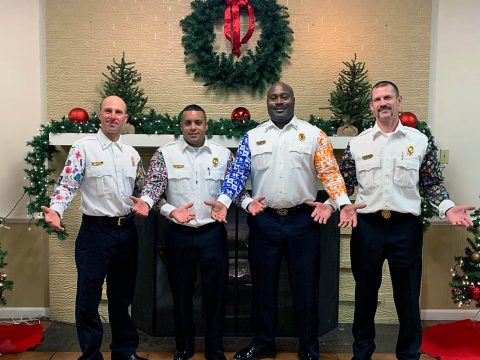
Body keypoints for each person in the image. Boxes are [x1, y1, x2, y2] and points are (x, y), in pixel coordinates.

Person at [206, 82, 365, 360]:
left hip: (302, 223)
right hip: (264, 222)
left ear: (293, 100)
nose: (279, 101)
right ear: (268, 102)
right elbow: (237, 173)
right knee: (263, 288)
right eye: (273, 97)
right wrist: (223, 200)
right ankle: (263, 342)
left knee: (306, 288)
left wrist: (342, 204)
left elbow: (330, 173)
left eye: (284, 96)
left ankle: (308, 347)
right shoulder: (252, 137)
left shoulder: (313, 134)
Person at [339, 80, 474, 360]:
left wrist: (447, 208)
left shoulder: (418, 141)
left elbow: (432, 183)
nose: (383, 103)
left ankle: (409, 354)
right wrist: (336, 205)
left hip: (405, 229)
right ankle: (362, 352)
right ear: (371, 106)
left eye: (388, 97)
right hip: (368, 228)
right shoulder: (358, 143)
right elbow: (343, 184)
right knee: (365, 295)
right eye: (377, 99)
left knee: (407, 295)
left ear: (399, 101)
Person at [130, 104, 261, 360]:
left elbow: (234, 188)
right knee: (181, 294)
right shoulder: (165, 154)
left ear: (206, 125)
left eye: (198, 122)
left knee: (216, 295)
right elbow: (153, 190)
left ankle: (215, 348)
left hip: (212, 234)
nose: (193, 127)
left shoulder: (223, 154)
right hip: (179, 234)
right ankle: (184, 347)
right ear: (181, 126)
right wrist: (168, 210)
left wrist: (248, 203)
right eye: (188, 123)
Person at [41, 96, 145, 360]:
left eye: (118, 112)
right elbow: (67, 185)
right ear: (99, 115)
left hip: (127, 232)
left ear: (125, 118)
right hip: (95, 233)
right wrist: (56, 210)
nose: (113, 116)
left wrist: (164, 207)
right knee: (88, 298)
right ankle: (90, 356)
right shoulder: (82, 148)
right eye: (108, 111)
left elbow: (143, 192)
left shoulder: (131, 155)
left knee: (122, 298)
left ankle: (124, 352)